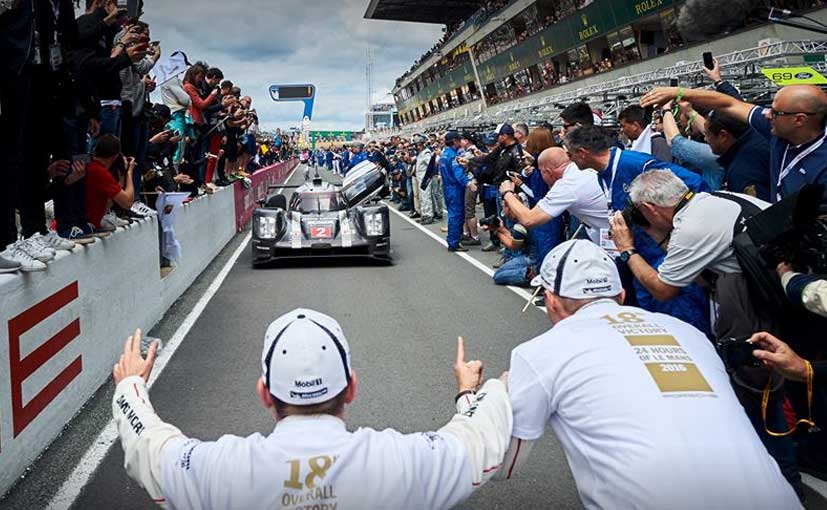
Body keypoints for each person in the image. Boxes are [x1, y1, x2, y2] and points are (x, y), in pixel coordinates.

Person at [499, 239, 800, 509]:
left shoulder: (540, 351)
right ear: (621, 295)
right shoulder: (690, 334)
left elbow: (501, 466)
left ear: (551, 301)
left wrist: (489, 399)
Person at [111, 309, 511, 509]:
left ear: (265, 394)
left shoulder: (222, 470)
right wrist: (474, 391)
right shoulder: (402, 461)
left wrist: (131, 385)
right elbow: (475, 440)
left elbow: (151, 449)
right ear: (351, 388)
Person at [563, 125, 710, 332]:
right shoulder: (601, 174)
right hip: (641, 257)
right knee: (652, 328)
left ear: (582, 152)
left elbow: (696, 185)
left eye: (570, 155)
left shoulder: (636, 164)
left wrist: (678, 231)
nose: (569, 160)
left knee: (681, 329)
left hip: (665, 257)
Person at [641, 84, 827, 202]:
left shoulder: (822, 165)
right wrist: (678, 92)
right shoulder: (775, 129)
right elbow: (729, 104)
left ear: (799, 120)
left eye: (776, 113)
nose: (767, 114)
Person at [499, 147, 607, 244]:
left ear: (548, 171)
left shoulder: (566, 185)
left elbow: (529, 220)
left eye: (541, 172)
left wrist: (507, 193)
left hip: (609, 236)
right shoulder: (581, 170)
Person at [85, 135, 135, 231]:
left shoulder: (87, 164)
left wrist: (121, 178)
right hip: (89, 224)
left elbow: (110, 200)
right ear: (114, 157)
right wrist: (129, 173)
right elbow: (127, 203)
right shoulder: (100, 173)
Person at [441, 131, 476, 252]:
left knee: (453, 214)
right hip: (455, 188)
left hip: (447, 187)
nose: (460, 142)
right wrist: (468, 183)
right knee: (456, 216)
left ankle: (454, 239)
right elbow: (458, 174)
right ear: (454, 141)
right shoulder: (453, 156)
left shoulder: (444, 154)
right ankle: (454, 242)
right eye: (459, 140)